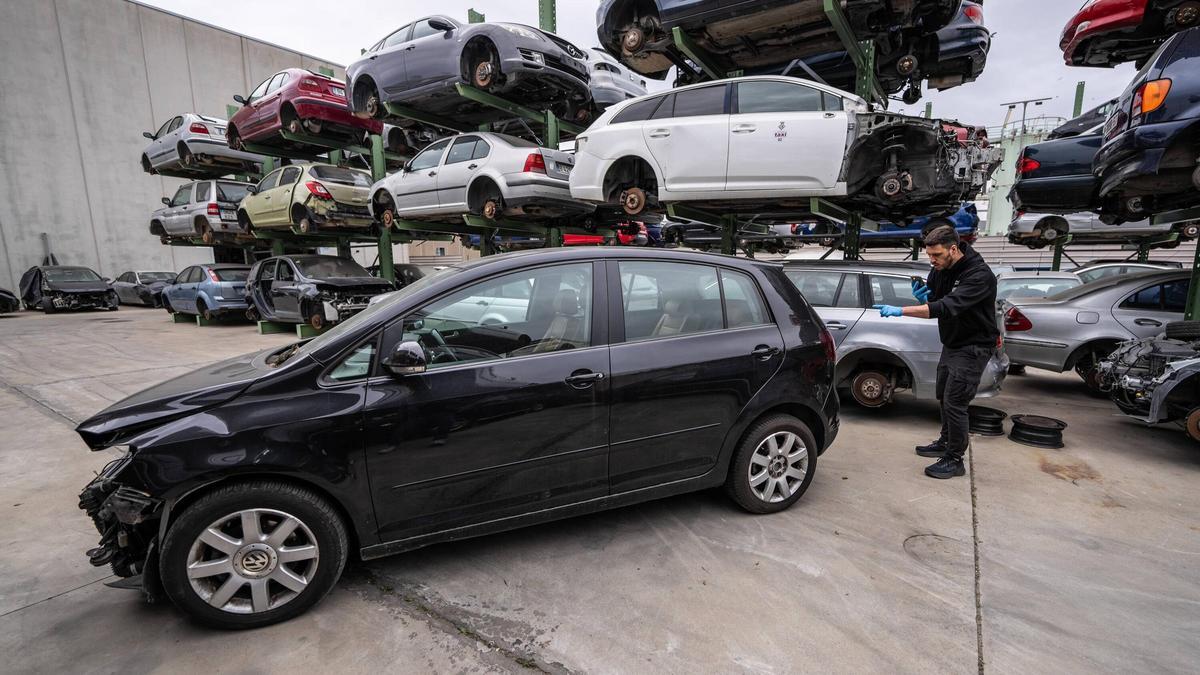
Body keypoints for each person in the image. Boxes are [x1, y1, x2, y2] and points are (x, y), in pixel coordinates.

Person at [873, 226, 999, 479]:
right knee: (943, 394)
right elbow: (937, 297)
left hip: (974, 346)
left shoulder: (979, 275)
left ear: (953, 249)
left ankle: (955, 459)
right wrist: (925, 297)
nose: (932, 260)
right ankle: (944, 442)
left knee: (956, 402)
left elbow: (948, 306)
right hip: (952, 343)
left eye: (937, 255)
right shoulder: (940, 268)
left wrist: (903, 310)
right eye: (929, 255)